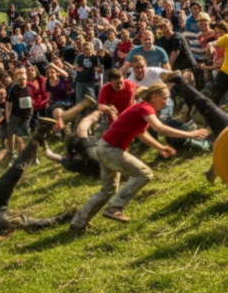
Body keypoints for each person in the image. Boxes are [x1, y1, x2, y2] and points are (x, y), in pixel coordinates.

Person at [69, 82, 209, 231]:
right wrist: (190, 134)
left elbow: (141, 134)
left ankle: (77, 224)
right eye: (164, 98)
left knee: (107, 190)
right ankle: (115, 207)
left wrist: (160, 147)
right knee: (145, 173)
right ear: (154, 97)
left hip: (104, 148)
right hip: (111, 150)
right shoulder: (145, 108)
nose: (166, 102)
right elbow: (160, 128)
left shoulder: (141, 109)